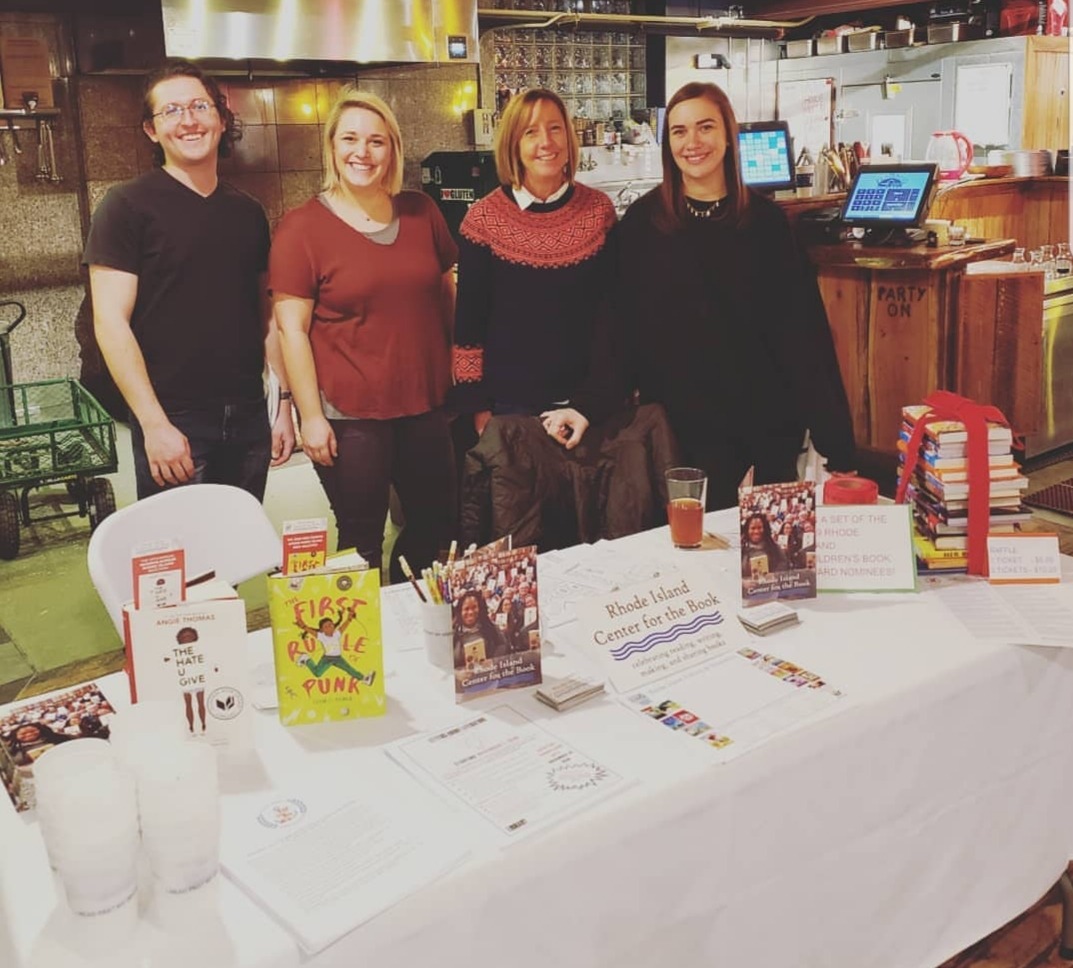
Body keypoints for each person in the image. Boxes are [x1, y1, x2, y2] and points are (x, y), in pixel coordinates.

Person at [616, 82, 855, 510]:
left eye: (705, 127)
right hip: (677, 432)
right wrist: (593, 406)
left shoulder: (768, 225)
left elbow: (804, 337)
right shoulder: (641, 224)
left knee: (768, 564)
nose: (693, 143)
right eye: (679, 131)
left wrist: (836, 441)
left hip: (767, 425)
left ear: (728, 134)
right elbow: (617, 327)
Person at [84, 60, 294, 501]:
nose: (189, 120)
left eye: (200, 106)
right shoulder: (125, 207)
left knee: (234, 556)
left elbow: (266, 316)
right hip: (173, 417)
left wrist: (283, 406)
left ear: (221, 118)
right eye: (172, 111)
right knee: (179, 563)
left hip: (249, 412)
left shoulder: (247, 211)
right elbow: (111, 323)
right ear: (151, 130)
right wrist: (153, 423)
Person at [270, 90, 457, 578]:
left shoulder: (421, 212)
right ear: (332, 148)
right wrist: (309, 416)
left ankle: (411, 623)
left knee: (434, 529)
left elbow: (446, 292)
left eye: (377, 141)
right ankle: (366, 648)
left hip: (426, 406)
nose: (363, 152)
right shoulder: (301, 229)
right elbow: (291, 330)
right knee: (360, 542)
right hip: (350, 415)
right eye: (350, 139)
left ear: (392, 150)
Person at [450, 87, 620, 448]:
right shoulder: (483, 220)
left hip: (586, 407)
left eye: (555, 128)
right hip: (511, 408)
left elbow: (612, 315)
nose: (546, 141)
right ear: (513, 143)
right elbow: (469, 322)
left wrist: (601, 397)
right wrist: (479, 410)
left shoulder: (598, 211)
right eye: (530, 132)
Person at [294, 607, 376, 685]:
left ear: (333, 625)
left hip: (338, 658)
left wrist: (350, 617)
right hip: (327, 659)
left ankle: (364, 679)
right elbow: (311, 632)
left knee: (349, 669)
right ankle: (307, 659)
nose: (329, 627)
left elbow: (345, 625)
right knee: (318, 674)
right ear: (322, 630)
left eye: (330, 624)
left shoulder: (336, 634)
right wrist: (304, 626)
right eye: (326, 626)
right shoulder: (322, 636)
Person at [453, 588, 508, 667]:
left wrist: (493, 661)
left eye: (474, 607)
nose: (471, 612)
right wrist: (458, 674)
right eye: (466, 609)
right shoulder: (453, 635)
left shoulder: (489, 627)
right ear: (460, 611)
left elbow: (503, 645)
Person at [740, 512, 788, 578]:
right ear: (747, 530)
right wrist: (744, 583)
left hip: (771, 586)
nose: (756, 532)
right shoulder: (741, 550)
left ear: (765, 529)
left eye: (759, 528)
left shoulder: (774, 548)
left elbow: (784, 563)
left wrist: (775, 575)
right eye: (753, 528)